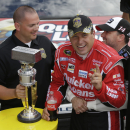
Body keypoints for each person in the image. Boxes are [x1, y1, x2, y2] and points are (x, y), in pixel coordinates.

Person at [42, 15, 126, 130]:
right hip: (77, 114)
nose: (80, 42)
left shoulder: (110, 58)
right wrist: (50, 105)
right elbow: (57, 83)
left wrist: (101, 87)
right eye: (75, 36)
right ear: (69, 36)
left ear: (93, 33)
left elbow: (120, 100)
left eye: (84, 35)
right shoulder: (62, 52)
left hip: (104, 119)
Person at [66, 16, 130, 130]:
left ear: (121, 37)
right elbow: (73, 82)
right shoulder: (92, 53)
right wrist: (73, 98)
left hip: (111, 120)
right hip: (80, 118)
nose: (102, 35)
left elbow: (124, 102)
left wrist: (86, 104)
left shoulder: (126, 61)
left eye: (108, 32)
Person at [0, 5, 56, 110]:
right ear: (18, 26)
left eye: (38, 23)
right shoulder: (3, 52)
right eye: (31, 25)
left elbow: (60, 70)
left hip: (43, 112)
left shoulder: (45, 43)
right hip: (13, 115)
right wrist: (14, 93)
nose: (36, 28)